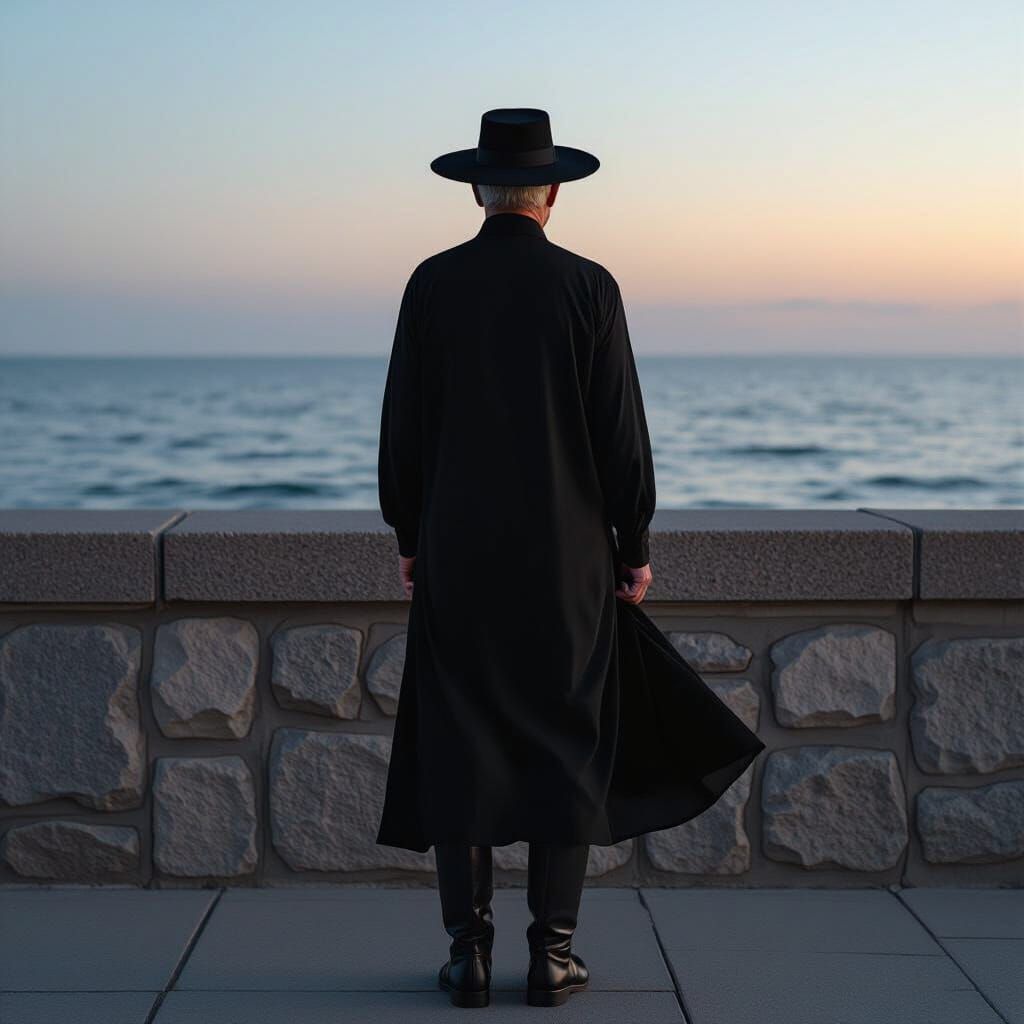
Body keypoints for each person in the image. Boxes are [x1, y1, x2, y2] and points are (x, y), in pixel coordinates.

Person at [376, 108, 766, 1009]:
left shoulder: (431, 284)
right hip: (569, 561)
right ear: (552, 194)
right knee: (567, 742)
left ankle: (467, 958)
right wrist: (633, 546)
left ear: (480, 189)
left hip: (460, 554)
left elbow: (405, 428)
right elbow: (620, 436)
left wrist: (409, 538)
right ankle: (551, 958)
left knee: (459, 743)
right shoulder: (589, 286)